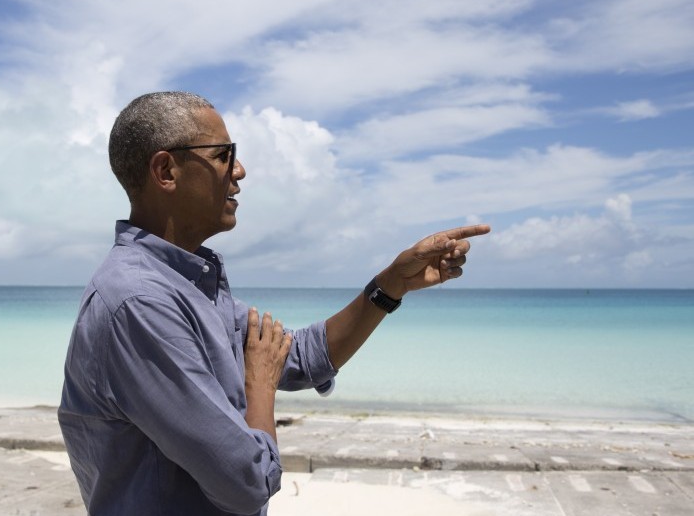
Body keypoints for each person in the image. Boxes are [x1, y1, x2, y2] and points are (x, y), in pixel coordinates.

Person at [58, 91, 490, 515]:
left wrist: (390, 285)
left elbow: (298, 355)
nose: (240, 170)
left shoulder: (183, 283)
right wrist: (260, 388)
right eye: (224, 154)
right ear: (166, 170)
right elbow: (245, 483)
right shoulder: (140, 302)